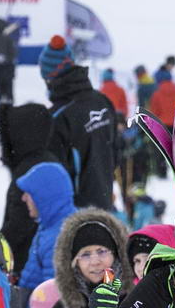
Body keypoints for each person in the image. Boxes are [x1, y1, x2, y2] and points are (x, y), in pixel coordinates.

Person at [41, 36, 119, 211]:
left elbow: (55, 178)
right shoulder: (102, 101)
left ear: (50, 78)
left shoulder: (58, 117)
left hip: (76, 214)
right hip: (104, 204)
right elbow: (115, 153)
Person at [0, 102, 57, 272]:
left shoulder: (30, 170)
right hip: (43, 255)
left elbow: (21, 222)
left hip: (28, 260)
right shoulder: (48, 159)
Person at [15, 160, 76, 296]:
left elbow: (52, 300)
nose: (23, 198)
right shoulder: (50, 226)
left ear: (43, 197)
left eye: (29, 193)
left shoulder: (60, 237)